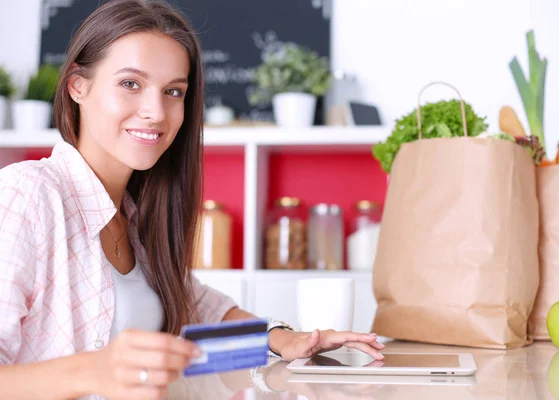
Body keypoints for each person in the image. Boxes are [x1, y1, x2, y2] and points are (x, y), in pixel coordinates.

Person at [0, 1, 384, 399]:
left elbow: (203, 315)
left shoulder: (137, 221)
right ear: (77, 86)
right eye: (130, 83)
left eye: (173, 91)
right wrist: (92, 371)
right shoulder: (26, 196)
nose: (155, 111)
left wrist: (285, 339)